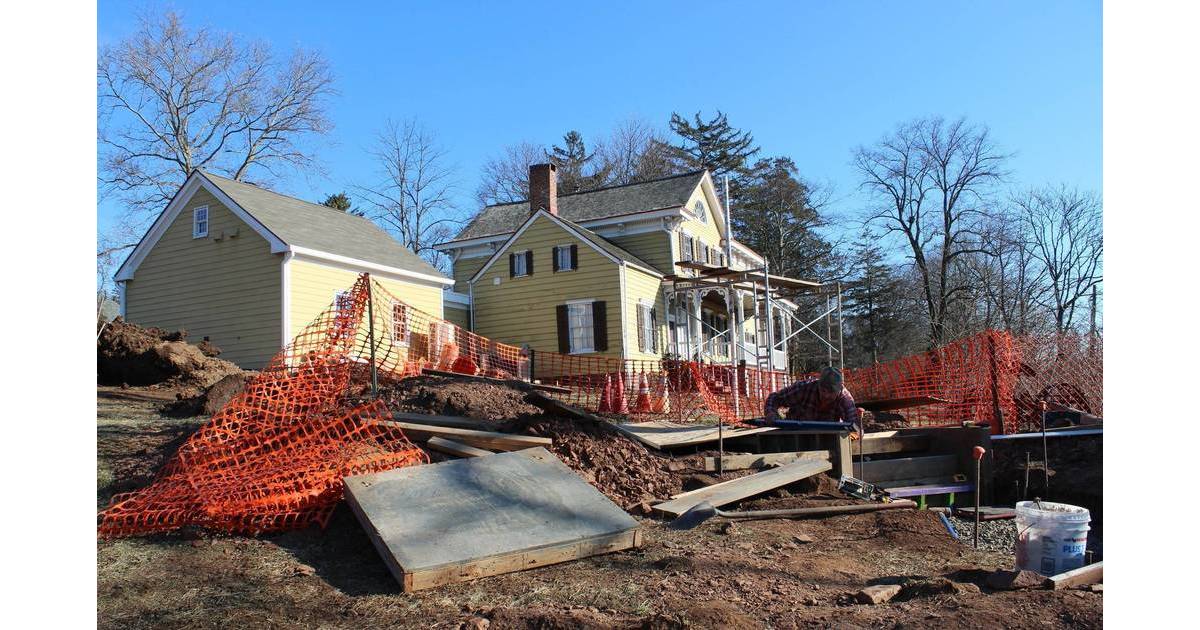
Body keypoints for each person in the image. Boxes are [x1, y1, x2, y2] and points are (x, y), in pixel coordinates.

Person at [763, 366, 862, 437]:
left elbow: (855, 427)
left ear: (839, 389)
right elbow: (775, 398)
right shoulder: (804, 388)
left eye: (831, 392)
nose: (826, 395)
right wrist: (771, 412)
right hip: (795, 435)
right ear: (818, 385)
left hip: (826, 439)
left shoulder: (845, 399)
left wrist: (855, 431)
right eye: (823, 390)